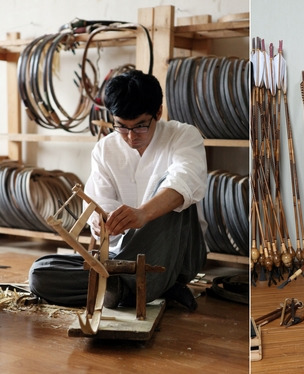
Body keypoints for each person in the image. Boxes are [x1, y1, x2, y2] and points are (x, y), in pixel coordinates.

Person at [29, 69, 207, 311]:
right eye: (121, 127)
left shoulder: (183, 136)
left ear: (158, 112)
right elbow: (99, 206)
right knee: (40, 272)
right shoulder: (105, 149)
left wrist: (142, 214)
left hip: (176, 256)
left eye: (140, 126)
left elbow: (187, 180)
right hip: (118, 260)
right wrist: (102, 222)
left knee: (173, 191)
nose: (131, 137)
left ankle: (130, 286)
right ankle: (127, 289)